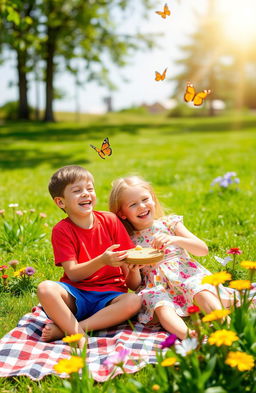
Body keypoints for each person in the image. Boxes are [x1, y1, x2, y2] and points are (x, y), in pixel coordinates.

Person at [109, 175, 235, 340]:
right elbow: (134, 285)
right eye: (133, 204)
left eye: (145, 199)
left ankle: (225, 326)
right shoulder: (127, 241)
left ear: (153, 199)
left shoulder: (169, 224)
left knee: (199, 290)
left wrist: (176, 239)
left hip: (186, 275)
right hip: (156, 286)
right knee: (160, 305)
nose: (142, 206)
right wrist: (133, 270)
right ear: (122, 214)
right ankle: (190, 337)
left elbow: (202, 250)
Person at [37, 166, 142, 349]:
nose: (86, 194)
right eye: (77, 191)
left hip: (110, 297)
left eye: (89, 189)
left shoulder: (110, 221)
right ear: (61, 202)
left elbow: (133, 285)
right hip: (76, 295)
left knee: (134, 300)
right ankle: (75, 330)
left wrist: (134, 271)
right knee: (45, 289)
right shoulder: (62, 230)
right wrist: (102, 260)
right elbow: (74, 275)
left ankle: (71, 330)